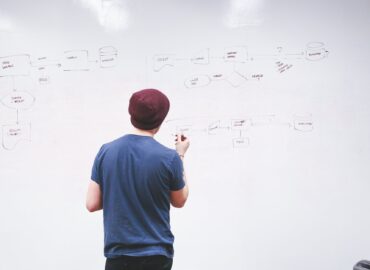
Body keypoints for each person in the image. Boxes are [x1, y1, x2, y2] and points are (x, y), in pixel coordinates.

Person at [86, 88, 190, 270]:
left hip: (118, 256)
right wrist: (180, 155)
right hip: (156, 256)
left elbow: (92, 203)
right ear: (160, 119)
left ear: (131, 114)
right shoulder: (169, 158)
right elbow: (179, 200)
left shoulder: (106, 151)